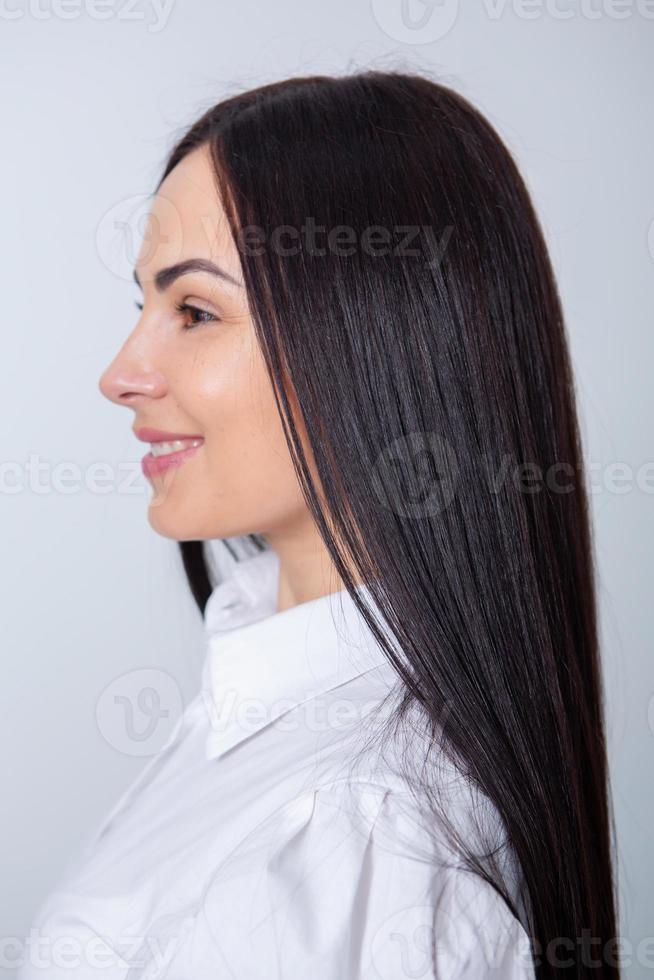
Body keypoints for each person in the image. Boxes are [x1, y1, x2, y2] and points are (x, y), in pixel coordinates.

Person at [19, 70, 619, 978]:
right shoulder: (260, 686)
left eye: (195, 310)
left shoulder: (358, 835)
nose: (122, 371)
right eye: (142, 305)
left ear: (374, 338)